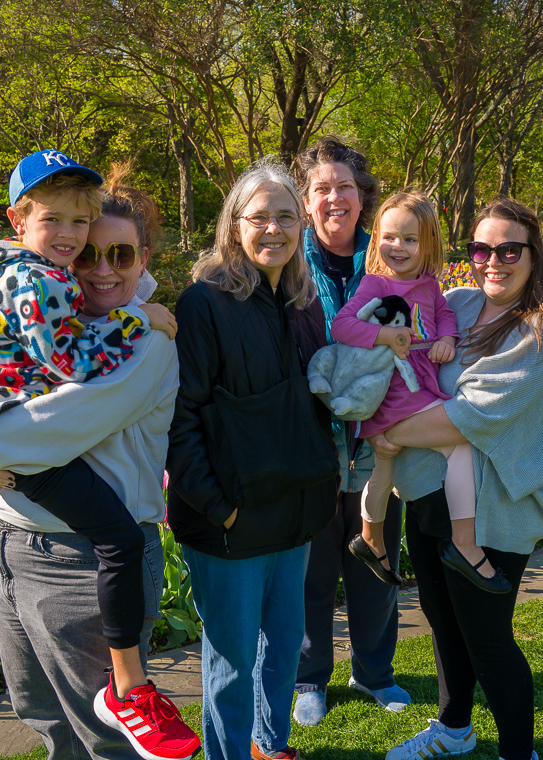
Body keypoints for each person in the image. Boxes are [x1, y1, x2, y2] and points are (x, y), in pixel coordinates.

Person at [0, 150, 192, 760]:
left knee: (105, 743)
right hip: (8, 545)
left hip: (78, 566)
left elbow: (28, 439)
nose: (95, 264)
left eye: (117, 254)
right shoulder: (43, 295)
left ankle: (131, 691)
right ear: (22, 225)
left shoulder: (145, 346)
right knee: (48, 723)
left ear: (143, 259)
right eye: (80, 246)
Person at [377, 199, 543, 760]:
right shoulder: (457, 305)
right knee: (443, 623)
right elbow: (402, 355)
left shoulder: (537, 334)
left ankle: (518, 752)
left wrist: (390, 434)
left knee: (488, 639)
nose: (494, 261)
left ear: (533, 257)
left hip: (493, 510)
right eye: (481, 249)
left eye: (510, 250)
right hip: (431, 497)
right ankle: (454, 728)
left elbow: (469, 413)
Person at [164, 158, 339, 760]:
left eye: (286, 217)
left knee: (285, 645)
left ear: (302, 225)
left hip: (292, 515)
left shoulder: (303, 301)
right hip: (229, 521)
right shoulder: (203, 304)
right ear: (233, 225)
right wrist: (219, 509)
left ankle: (273, 745)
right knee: (233, 659)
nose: (274, 229)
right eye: (259, 217)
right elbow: (179, 419)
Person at [330, 189, 509, 594]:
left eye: (410, 239)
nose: (398, 246)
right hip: (395, 392)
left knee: (384, 471)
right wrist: (384, 333)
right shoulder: (373, 285)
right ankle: (464, 542)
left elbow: (445, 316)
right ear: (377, 239)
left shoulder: (429, 287)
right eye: (390, 237)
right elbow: (342, 327)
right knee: (460, 446)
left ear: (427, 244)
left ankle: (370, 539)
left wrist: (446, 338)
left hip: (416, 389)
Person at [291, 136, 412, 726]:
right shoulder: (289, 260)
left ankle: (374, 671)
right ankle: (309, 677)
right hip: (312, 443)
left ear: (362, 197)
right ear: (305, 200)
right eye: (321, 189)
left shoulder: (387, 258)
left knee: (374, 558)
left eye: (344, 187)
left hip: (379, 443)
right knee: (313, 568)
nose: (334, 198)